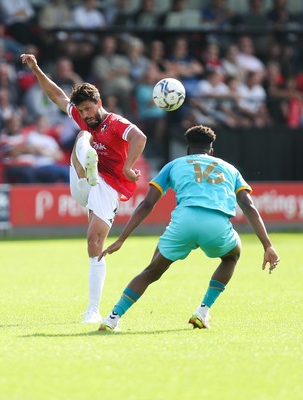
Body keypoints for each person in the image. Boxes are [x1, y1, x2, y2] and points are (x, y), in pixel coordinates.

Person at [98, 124, 280, 332]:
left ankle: (112, 318)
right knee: (231, 256)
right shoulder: (230, 169)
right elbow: (248, 206)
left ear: (187, 149)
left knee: (152, 271)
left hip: (184, 221)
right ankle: (202, 311)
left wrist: (121, 239)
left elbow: (147, 204)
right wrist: (268, 245)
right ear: (211, 150)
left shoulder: (174, 165)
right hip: (217, 224)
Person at [20, 53, 147, 323]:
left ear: (99, 103)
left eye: (89, 109)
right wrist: (37, 68)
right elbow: (57, 96)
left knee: (94, 241)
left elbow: (140, 136)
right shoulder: (81, 118)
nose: (86, 114)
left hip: (108, 185)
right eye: (82, 111)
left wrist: (128, 166)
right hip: (83, 179)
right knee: (83, 134)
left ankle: (93, 309)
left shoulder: (116, 123)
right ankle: (86, 166)